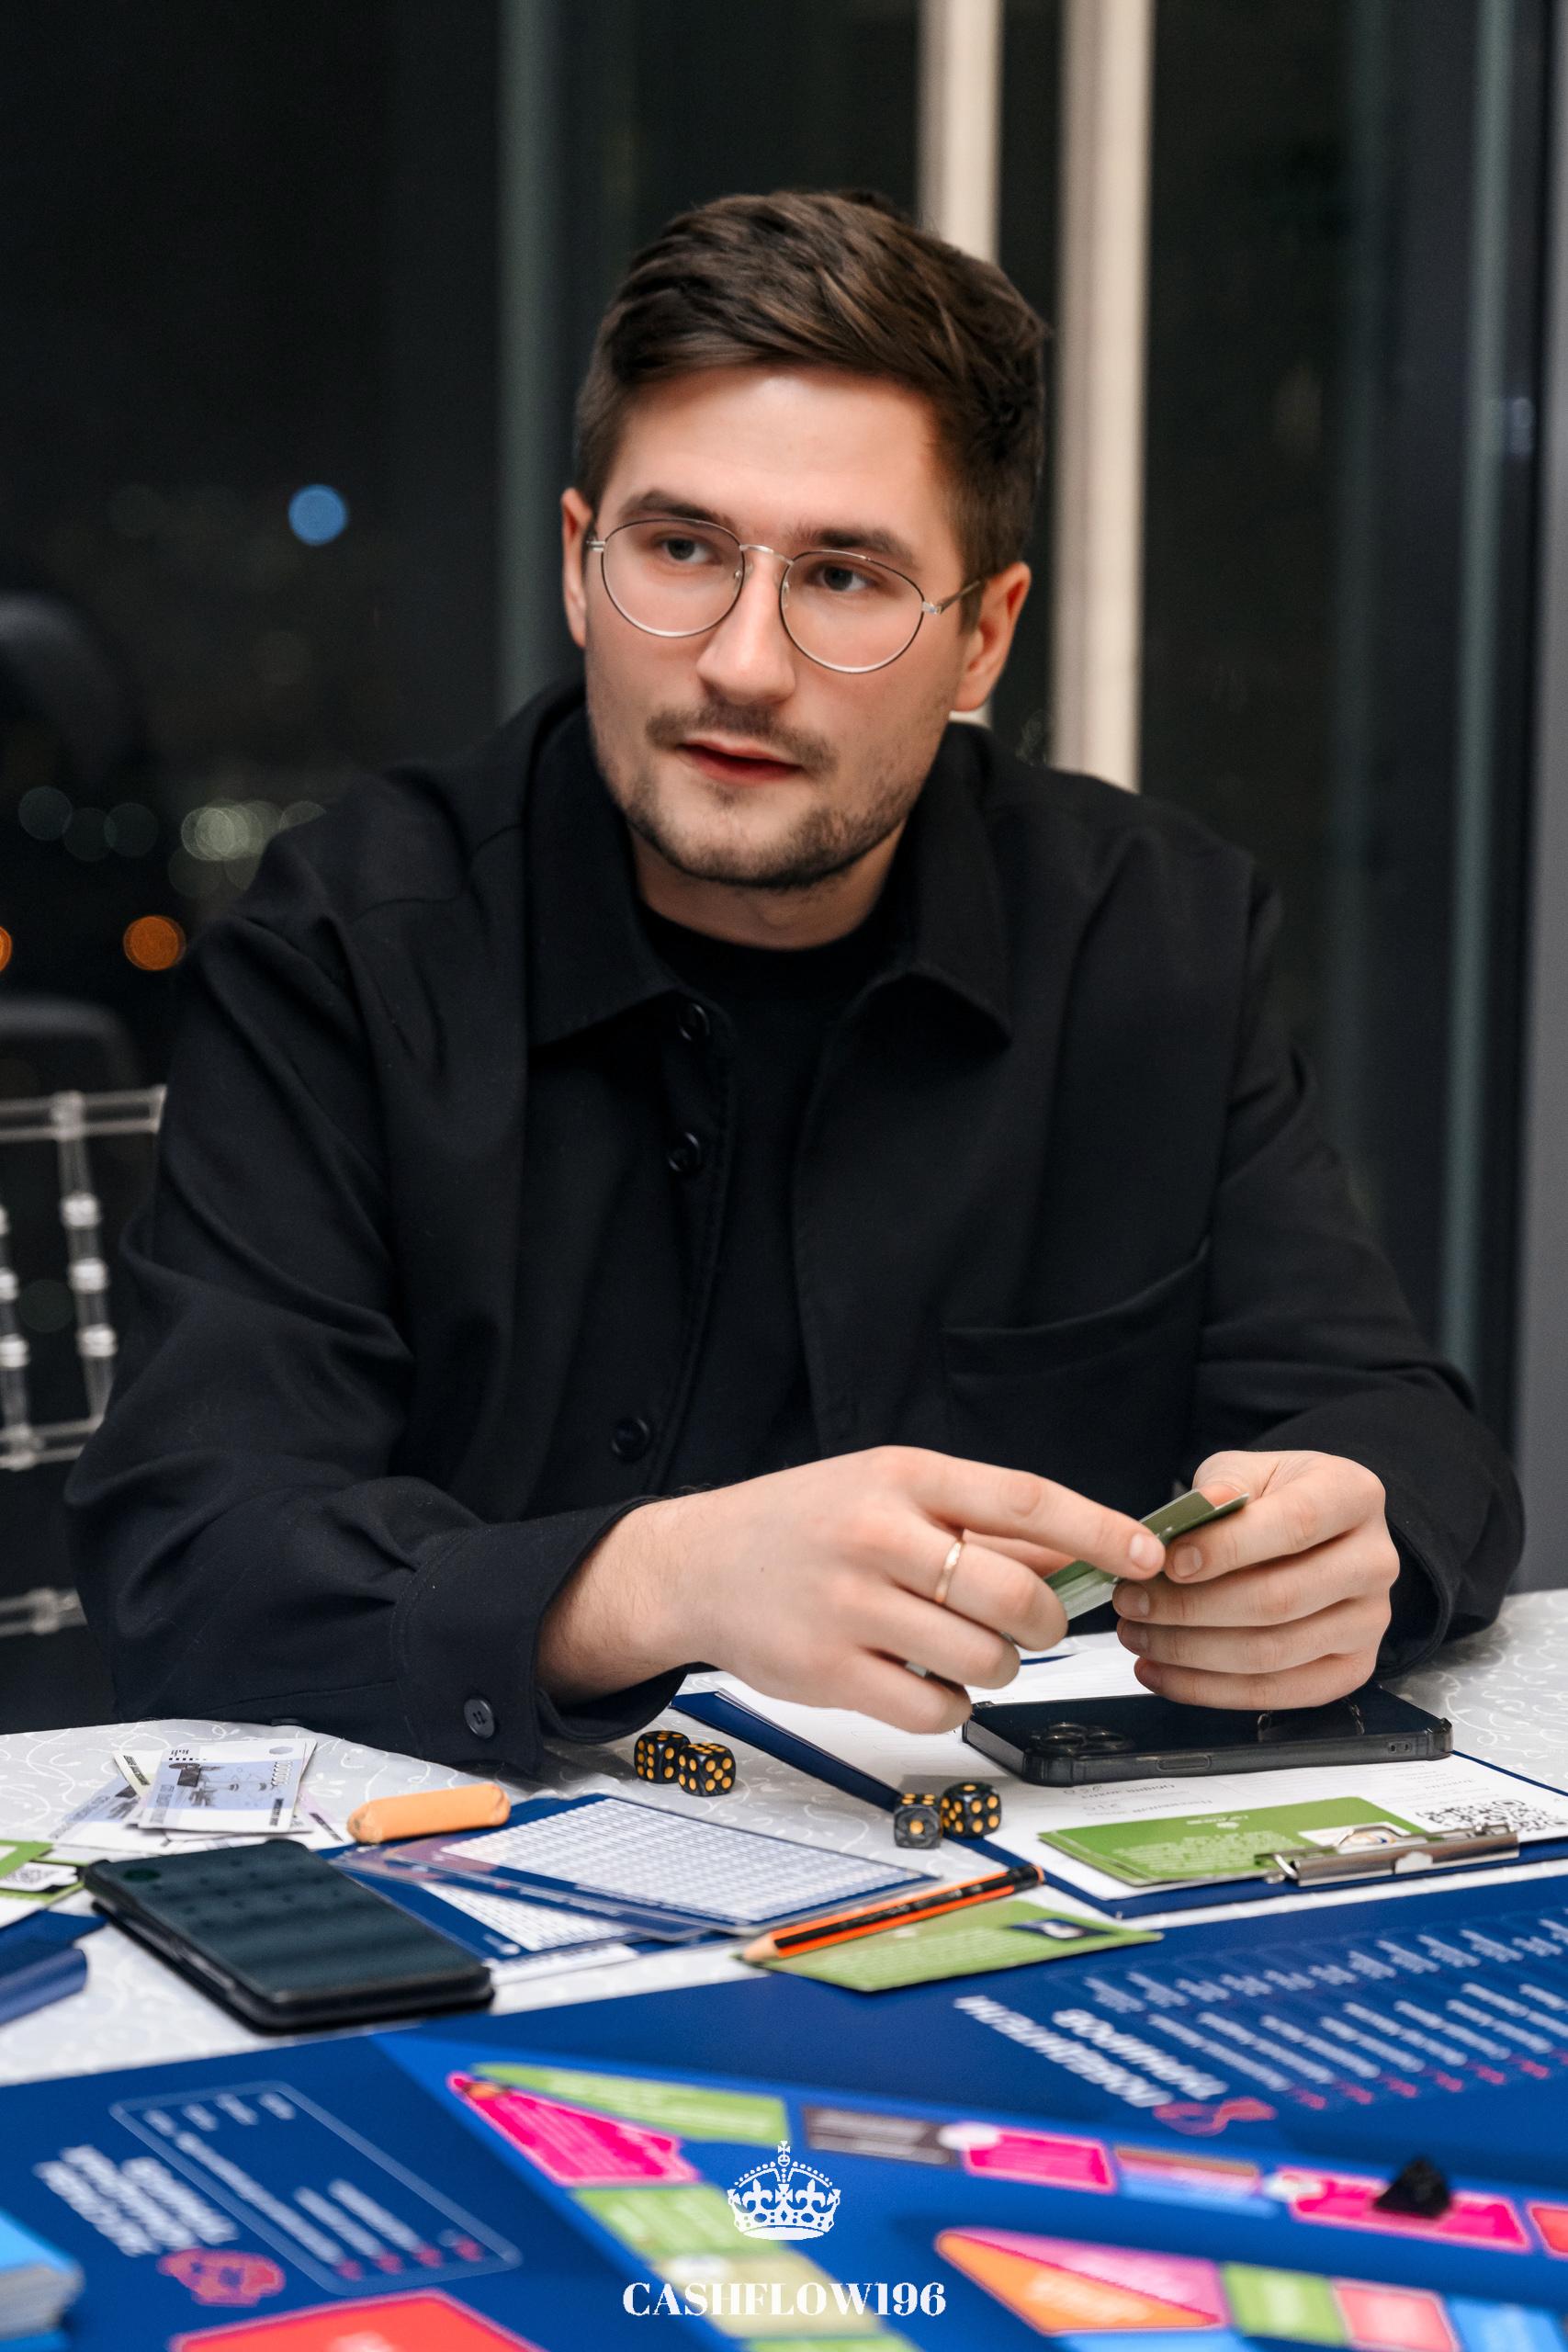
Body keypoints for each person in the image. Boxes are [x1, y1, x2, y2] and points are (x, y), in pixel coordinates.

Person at [68, 190, 1520, 1775]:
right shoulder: (346, 948)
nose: (743, 663)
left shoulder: (1150, 936)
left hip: (1015, 1877)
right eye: (682, 549)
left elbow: (1400, 1432)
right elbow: (190, 1556)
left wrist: (1352, 1544)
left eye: (843, 577)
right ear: (580, 566)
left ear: (985, 639)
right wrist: (655, 1581)